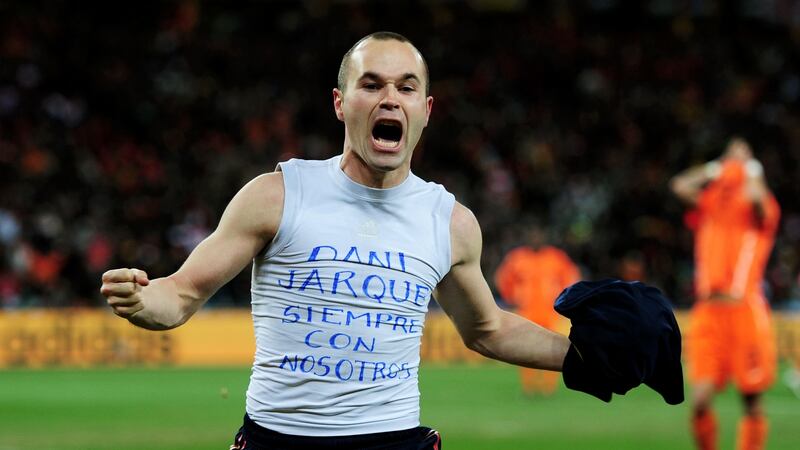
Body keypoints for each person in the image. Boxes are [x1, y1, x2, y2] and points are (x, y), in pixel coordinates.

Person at [101, 32, 681, 449]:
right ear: (340, 102)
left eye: (406, 87)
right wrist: (142, 300)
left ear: (424, 112)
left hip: (392, 442)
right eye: (371, 84)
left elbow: (488, 328)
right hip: (276, 441)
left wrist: (581, 358)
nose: (389, 98)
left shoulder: (449, 221)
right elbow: (180, 295)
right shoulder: (278, 194)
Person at [670, 137, 780, 450]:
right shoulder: (711, 202)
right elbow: (678, 185)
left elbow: (758, 196)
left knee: (751, 401)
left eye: (742, 154)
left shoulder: (760, 206)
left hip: (744, 310)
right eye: (730, 154)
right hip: (707, 312)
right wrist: (716, 168)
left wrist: (750, 167)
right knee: (700, 401)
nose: (735, 159)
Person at [494, 221, 580, 395]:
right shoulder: (517, 258)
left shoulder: (556, 257)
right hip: (526, 311)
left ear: (544, 238)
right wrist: (511, 297)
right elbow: (503, 279)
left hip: (550, 311)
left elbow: (571, 278)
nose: (535, 239)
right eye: (532, 236)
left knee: (552, 347)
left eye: (538, 236)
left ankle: (548, 386)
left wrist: (565, 300)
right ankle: (529, 385)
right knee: (524, 348)